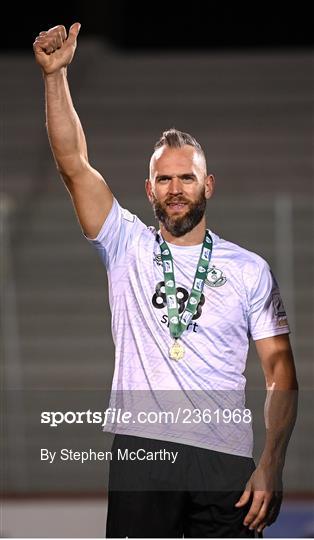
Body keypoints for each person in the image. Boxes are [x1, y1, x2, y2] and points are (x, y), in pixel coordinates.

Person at [33, 23, 298, 538]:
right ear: (148, 188)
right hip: (141, 453)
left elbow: (280, 369)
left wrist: (271, 461)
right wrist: (55, 77)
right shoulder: (124, 243)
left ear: (208, 185)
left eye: (187, 177)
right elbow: (73, 165)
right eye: (164, 179)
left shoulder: (249, 269)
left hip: (225, 459)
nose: (175, 189)